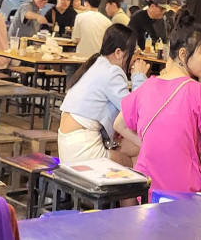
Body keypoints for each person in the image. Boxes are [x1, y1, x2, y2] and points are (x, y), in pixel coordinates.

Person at [114, 10, 201, 199]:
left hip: (148, 187)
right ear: (182, 53)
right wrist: (191, 157)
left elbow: (119, 124)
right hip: (184, 192)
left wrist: (148, 144)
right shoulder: (200, 92)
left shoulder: (148, 85)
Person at [59, 24, 150, 165]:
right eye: (133, 52)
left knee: (131, 146)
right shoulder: (112, 72)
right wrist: (139, 77)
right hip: (83, 150)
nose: (135, 58)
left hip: (69, 145)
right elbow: (134, 113)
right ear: (119, 52)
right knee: (134, 160)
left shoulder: (95, 64)